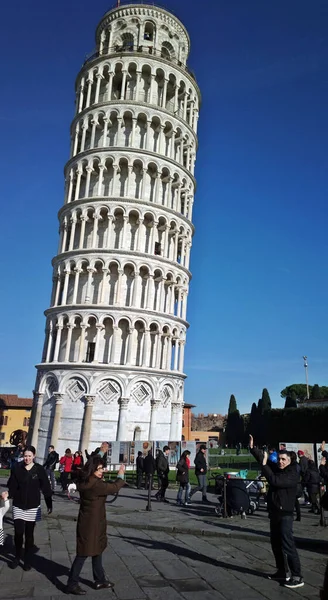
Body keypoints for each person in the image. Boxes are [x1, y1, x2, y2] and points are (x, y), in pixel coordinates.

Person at [249, 434, 304, 589]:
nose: (280, 462)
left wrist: (265, 464)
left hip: (285, 514)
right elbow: (263, 458)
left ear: (290, 460)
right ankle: (281, 571)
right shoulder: (279, 468)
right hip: (274, 512)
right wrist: (253, 448)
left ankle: (297, 576)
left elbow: (274, 481)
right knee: (275, 544)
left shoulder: (292, 474)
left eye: (283, 460)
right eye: (279, 459)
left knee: (288, 545)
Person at [66, 456, 125, 595]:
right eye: (99, 469)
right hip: (91, 523)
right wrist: (121, 475)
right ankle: (71, 584)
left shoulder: (87, 480)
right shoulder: (95, 484)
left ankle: (100, 579)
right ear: (92, 469)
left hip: (92, 521)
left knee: (97, 549)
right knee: (83, 553)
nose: (102, 471)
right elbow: (113, 487)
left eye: (102, 468)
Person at [7, 445, 52, 570]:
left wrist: (49, 504)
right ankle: (17, 557)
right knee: (18, 532)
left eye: (29, 456)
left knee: (29, 534)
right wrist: (8, 494)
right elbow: (12, 486)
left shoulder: (39, 469)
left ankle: (27, 559)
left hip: (33, 506)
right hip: (18, 505)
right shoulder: (17, 468)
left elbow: (46, 488)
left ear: (34, 456)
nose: (27, 458)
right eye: (25, 456)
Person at [290, 451, 302, 521]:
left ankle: (297, 515)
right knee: (295, 502)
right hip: (297, 485)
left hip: (294, 485)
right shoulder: (296, 465)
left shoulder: (293, 466)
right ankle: (298, 515)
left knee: (293, 501)